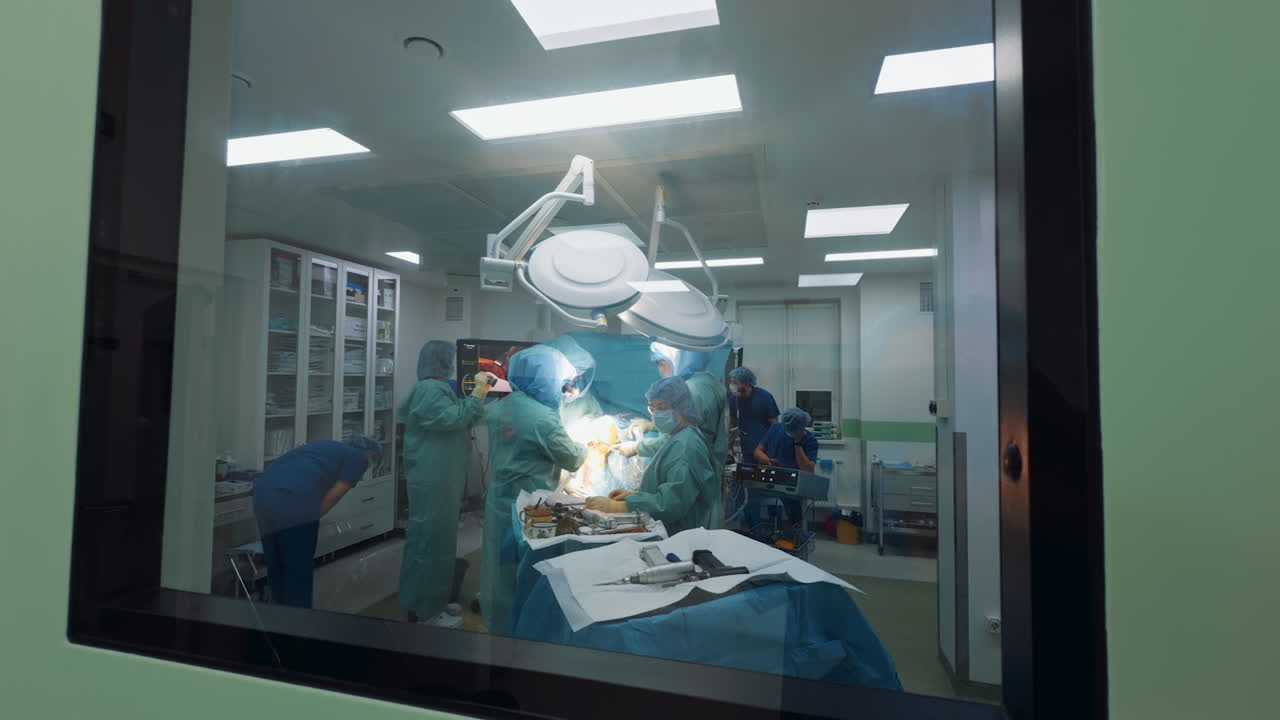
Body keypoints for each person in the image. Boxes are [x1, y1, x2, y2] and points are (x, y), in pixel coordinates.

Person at [480, 344, 589, 634]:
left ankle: (499, 628)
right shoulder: (541, 417)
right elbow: (573, 458)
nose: (563, 388)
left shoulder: (499, 407)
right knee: (532, 569)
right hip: (533, 507)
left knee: (499, 569)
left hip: (500, 500)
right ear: (547, 379)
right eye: (560, 382)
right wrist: (585, 444)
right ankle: (528, 635)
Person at [397, 340, 493, 628]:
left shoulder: (437, 390)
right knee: (430, 543)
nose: (454, 363)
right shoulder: (429, 390)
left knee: (439, 541)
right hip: (432, 480)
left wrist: (477, 399)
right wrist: (478, 393)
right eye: (451, 359)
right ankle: (425, 611)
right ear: (441, 361)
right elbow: (453, 418)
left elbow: (460, 412)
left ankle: (434, 600)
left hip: (441, 479)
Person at [252, 435, 382, 608]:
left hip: (262, 493)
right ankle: (298, 621)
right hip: (294, 498)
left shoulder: (324, 447)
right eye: (373, 459)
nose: (370, 464)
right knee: (297, 566)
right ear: (369, 453)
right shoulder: (358, 458)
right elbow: (334, 495)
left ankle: (277, 615)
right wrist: (310, 518)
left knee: (276, 562)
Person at [588, 377, 720, 534]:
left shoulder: (686, 448)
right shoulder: (678, 437)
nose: (656, 415)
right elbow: (670, 486)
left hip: (680, 536)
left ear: (681, 408)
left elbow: (671, 504)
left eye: (662, 408)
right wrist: (635, 496)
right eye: (652, 408)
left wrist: (622, 506)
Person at [616, 343, 729, 477]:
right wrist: (651, 426)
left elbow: (675, 441)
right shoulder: (708, 382)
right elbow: (694, 424)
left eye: (661, 363)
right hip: (705, 469)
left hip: (692, 473)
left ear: (678, 360)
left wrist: (637, 447)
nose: (660, 369)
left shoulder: (691, 391)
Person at [750, 407, 820, 530]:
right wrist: (768, 461)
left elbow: (807, 469)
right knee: (748, 498)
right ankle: (756, 534)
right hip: (771, 478)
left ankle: (796, 535)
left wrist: (797, 443)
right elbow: (757, 452)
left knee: (792, 502)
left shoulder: (810, 440)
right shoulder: (776, 428)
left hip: (794, 484)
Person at [544, 334, 604, 427]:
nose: (572, 380)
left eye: (576, 374)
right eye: (568, 374)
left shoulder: (585, 399)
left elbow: (600, 420)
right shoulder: (537, 400)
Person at [727, 366, 780, 463]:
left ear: (746, 383)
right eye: (731, 382)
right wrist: (729, 447)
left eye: (735, 383)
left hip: (765, 451)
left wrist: (770, 447)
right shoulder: (734, 399)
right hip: (746, 449)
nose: (732, 386)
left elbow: (775, 426)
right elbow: (732, 425)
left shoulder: (765, 397)